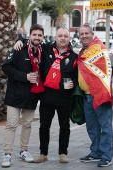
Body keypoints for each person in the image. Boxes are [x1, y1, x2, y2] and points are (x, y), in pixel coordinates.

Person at [14, 27, 78, 163]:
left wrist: (73, 83)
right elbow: (34, 42)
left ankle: (63, 153)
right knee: (44, 126)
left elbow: (77, 76)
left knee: (64, 126)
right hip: (47, 97)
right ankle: (43, 153)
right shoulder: (46, 49)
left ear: (69, 39)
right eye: (60, 36)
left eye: (65, 36)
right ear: (55, 37)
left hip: (64, 97)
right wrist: (21, 40)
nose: (62, 38)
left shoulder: (74, 56)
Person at [1, 24, 45, 168]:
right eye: (34, 35)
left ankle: (23, 151)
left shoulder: (43, 51)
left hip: (32, 95)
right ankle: (7, 154)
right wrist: (24, 76)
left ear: (42, 37)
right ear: (30, 36)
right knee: (11, 125)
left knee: (27, 125)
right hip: (15, 95)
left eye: (39, 35)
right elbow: (6, 67)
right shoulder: (19, 48)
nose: (37, 37)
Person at [77, 24, 113, 167]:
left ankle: (106, 155)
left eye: (87, 33)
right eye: (82, 34)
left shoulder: (99, 48)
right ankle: (96, 152)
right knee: (92, 127)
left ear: (92, 34)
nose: (84, 36)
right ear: (79, 36)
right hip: (86, 96)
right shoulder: (82, 51)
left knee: (105, 127)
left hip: (99, 94)